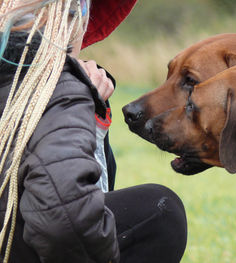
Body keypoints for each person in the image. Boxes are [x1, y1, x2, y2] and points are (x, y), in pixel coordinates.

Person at [0, 1, 187, 263]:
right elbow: (67, 223)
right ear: (71, 17)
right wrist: (81, 98)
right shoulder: (57, 87)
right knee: (162, 214)